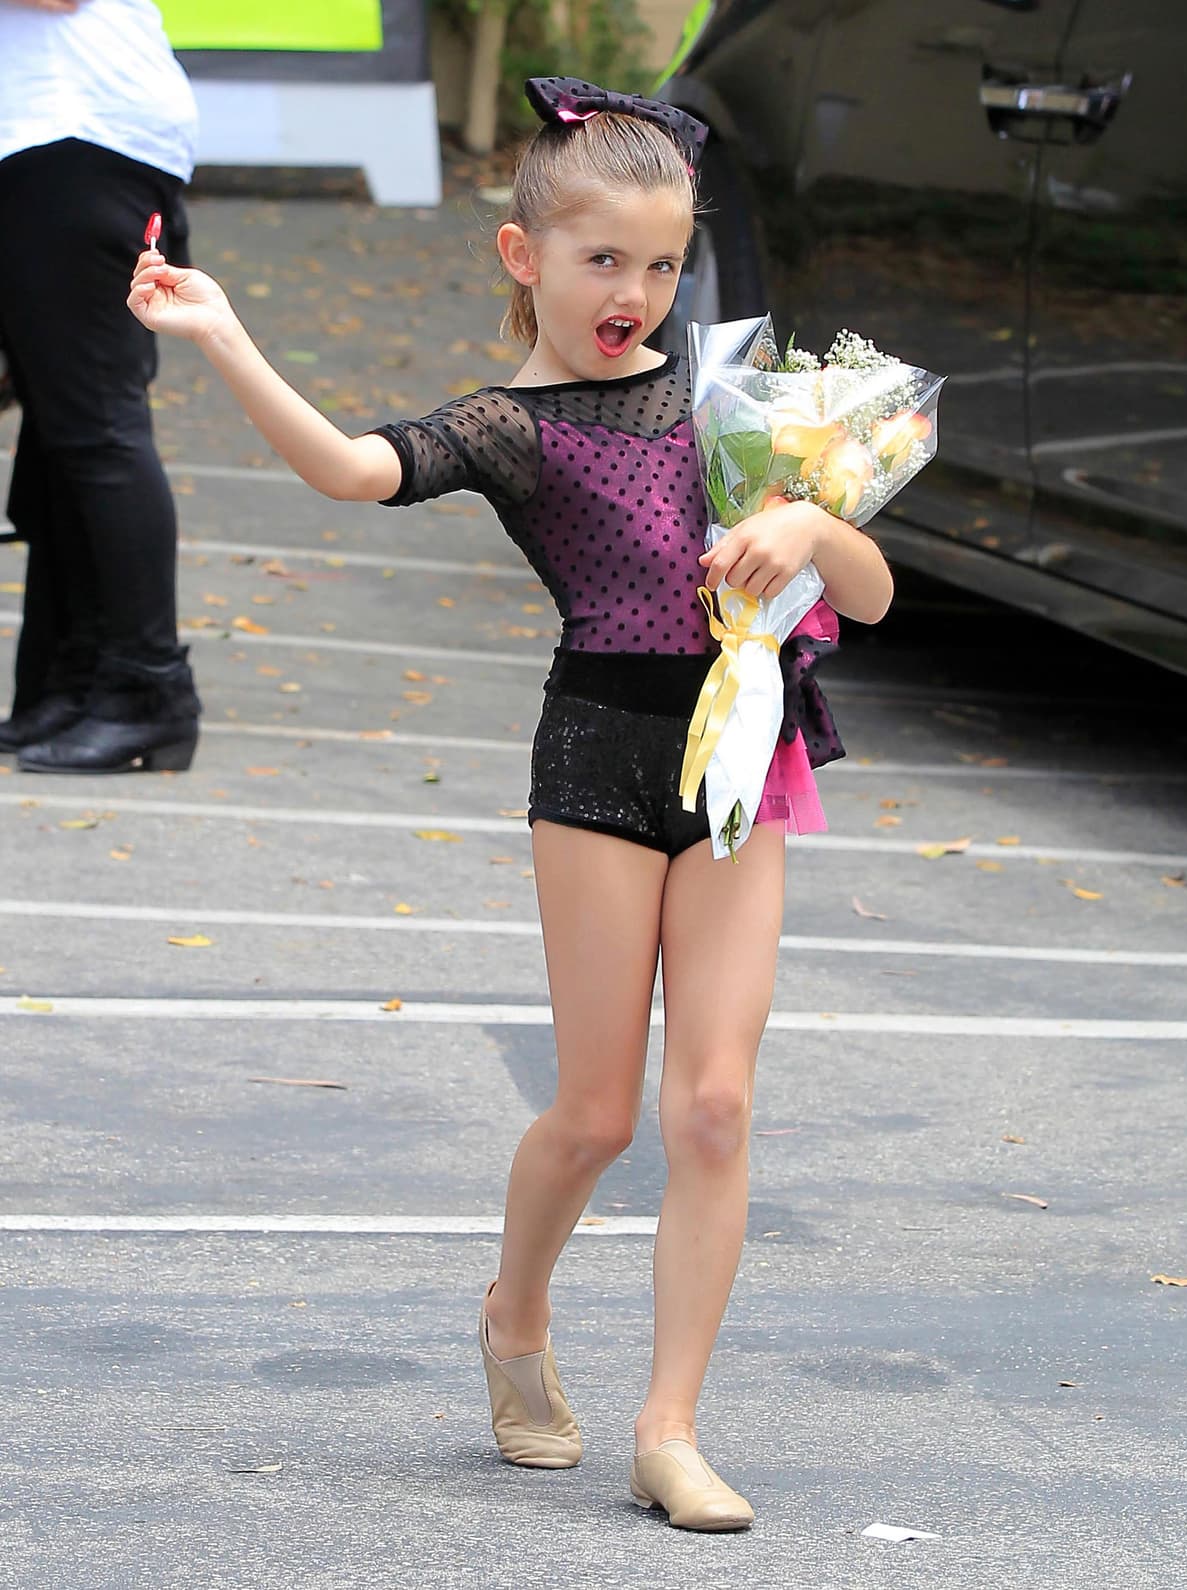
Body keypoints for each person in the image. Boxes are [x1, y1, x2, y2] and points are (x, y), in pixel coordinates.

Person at [126, 76, 894, 1530]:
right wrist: (222, 330)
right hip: (598, 761)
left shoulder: (729, 401)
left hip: (740, 753)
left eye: (662, 264)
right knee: (595, 1116)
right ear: (523, 256)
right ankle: (516, 1314)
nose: (635, 294)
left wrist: (805, 519)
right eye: (604, 260)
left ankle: (668, 1429)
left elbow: (866, 593)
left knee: (713, 1104)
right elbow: (354, 470)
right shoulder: (511, 424)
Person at [0, 0, 200, 771]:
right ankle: (76, 679)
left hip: (73, 133)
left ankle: (148, 695)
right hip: (57, 135)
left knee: (96, 429)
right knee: (63, 432)